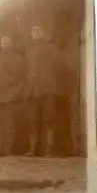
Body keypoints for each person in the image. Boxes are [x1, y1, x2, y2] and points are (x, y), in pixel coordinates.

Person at [24, 25, 65, 157]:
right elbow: (26, 69)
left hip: (47, 89)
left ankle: (49, 149)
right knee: (32, 120)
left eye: (38, 30)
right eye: (33, 31)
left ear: (43, 32)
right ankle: (33, 148)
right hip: (32, 91)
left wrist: (48, 79)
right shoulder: (29, 50)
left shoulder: (51, 48)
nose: (35, 33)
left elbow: (60, 68)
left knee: (49, 120)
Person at [0, 36, 26, 156]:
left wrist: (16, 92)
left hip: (11, 97)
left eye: (8, 43)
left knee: (9, 126)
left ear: (11, 44)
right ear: (0, 45)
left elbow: (23, 79)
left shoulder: (18, 59)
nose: (6, 45)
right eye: (4, 43)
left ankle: (8, 150)